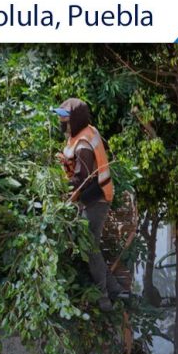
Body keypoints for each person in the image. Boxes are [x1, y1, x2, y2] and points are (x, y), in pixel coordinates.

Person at [54, 98, 121, 311]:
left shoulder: (84, 144)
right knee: (91, 245)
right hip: (92, 196)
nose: (60, 119)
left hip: (97, 197)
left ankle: (103, 298)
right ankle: (115, 288)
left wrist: (62, 198)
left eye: (63, 116)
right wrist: (66, 163)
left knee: (89, 246)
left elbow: (80, 180)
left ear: (74, 119)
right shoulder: (81, 133)